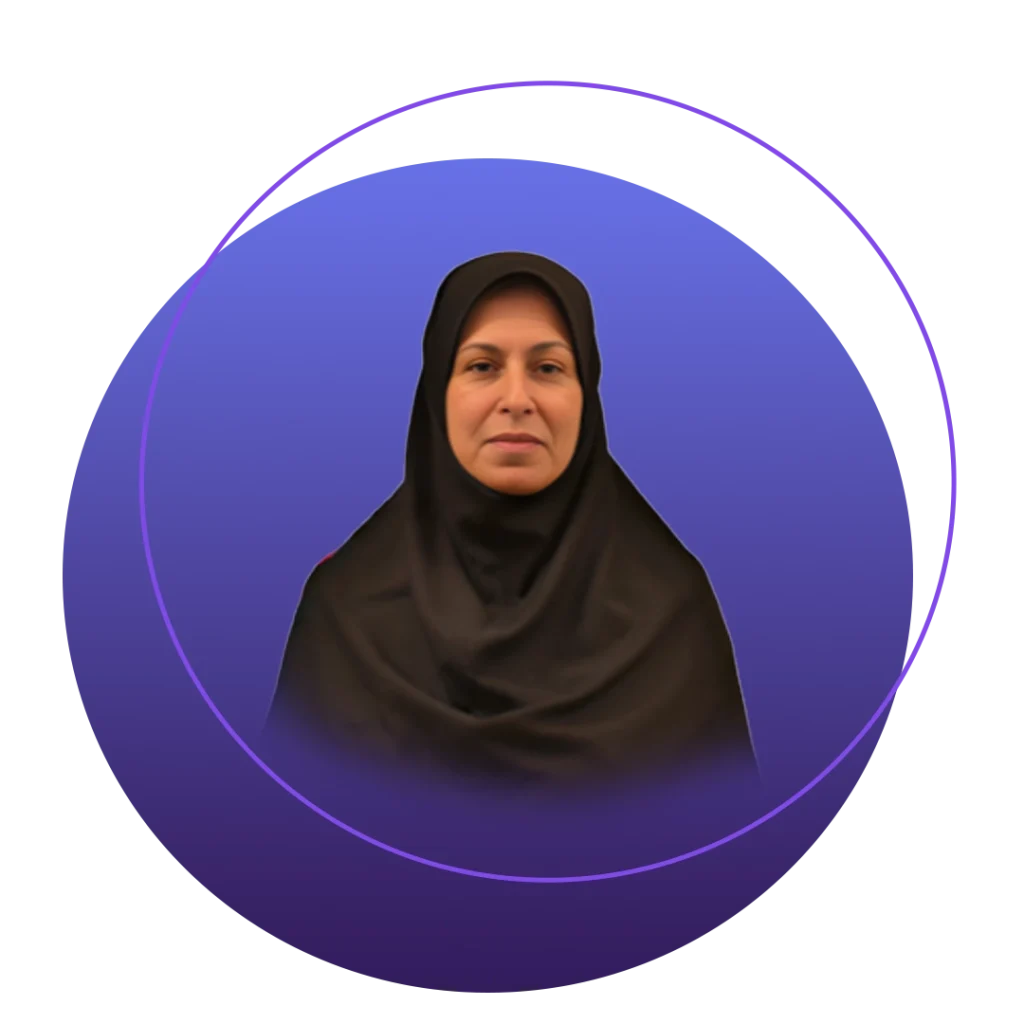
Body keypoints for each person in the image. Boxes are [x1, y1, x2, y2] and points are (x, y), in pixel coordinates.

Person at [263, 251, 757, 787]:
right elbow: (286, 826)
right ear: (437, 393)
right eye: (482, 367)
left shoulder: (669, 613)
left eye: (548, 368)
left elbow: (724, 829)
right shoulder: (347, 612)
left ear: (587, 395)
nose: (517, 399)